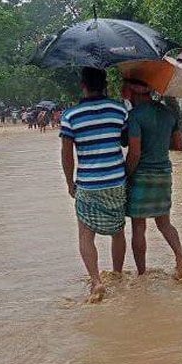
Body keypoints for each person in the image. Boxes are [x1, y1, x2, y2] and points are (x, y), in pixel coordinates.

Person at [60, 67, 129, 303]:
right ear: (105, 84)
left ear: (83, 85)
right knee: (118, 231)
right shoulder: (119, 110)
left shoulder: (71, 116)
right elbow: (125, 140)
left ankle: (97, 281)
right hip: (116, 181)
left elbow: (67, 155)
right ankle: (118, 274)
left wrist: (70, 183)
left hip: (88, 183)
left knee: (85, 235)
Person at [122, 79, 182, 282]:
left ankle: (141, 275)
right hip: (164, 173)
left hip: (141, 176)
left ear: (133, 91)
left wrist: (126, 175)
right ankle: (180, 256)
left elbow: (135, 154)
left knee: (139, 227)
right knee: (165, 223)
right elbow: (178, 144)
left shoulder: (134, 116)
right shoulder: (167, 113)